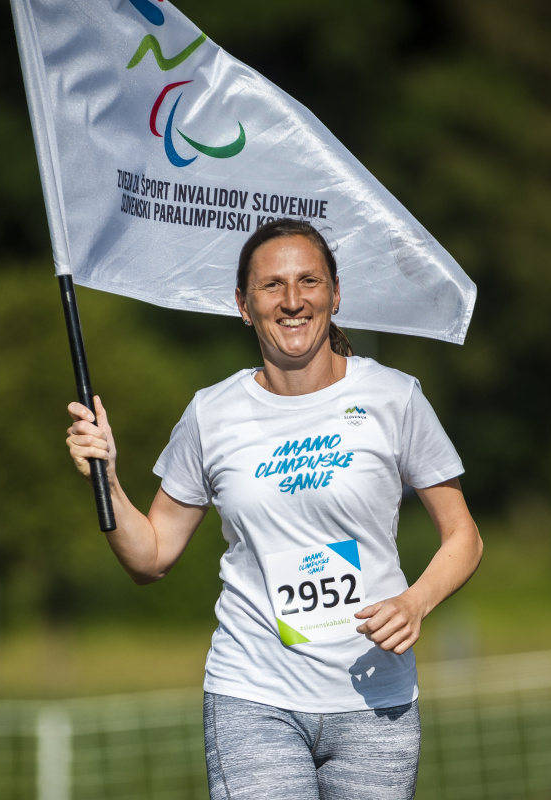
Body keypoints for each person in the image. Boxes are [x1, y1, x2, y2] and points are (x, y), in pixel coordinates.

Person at [65, 218, 483, 800]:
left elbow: (464, 536)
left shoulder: (395, 396)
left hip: (375, 700)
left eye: (309, 281)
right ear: (243, 304)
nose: (292, 300)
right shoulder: (211, 413)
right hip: (252, 694)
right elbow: (151, 556)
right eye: (271, 285)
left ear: (336, 294)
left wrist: (416, 601)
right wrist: (107, 479)